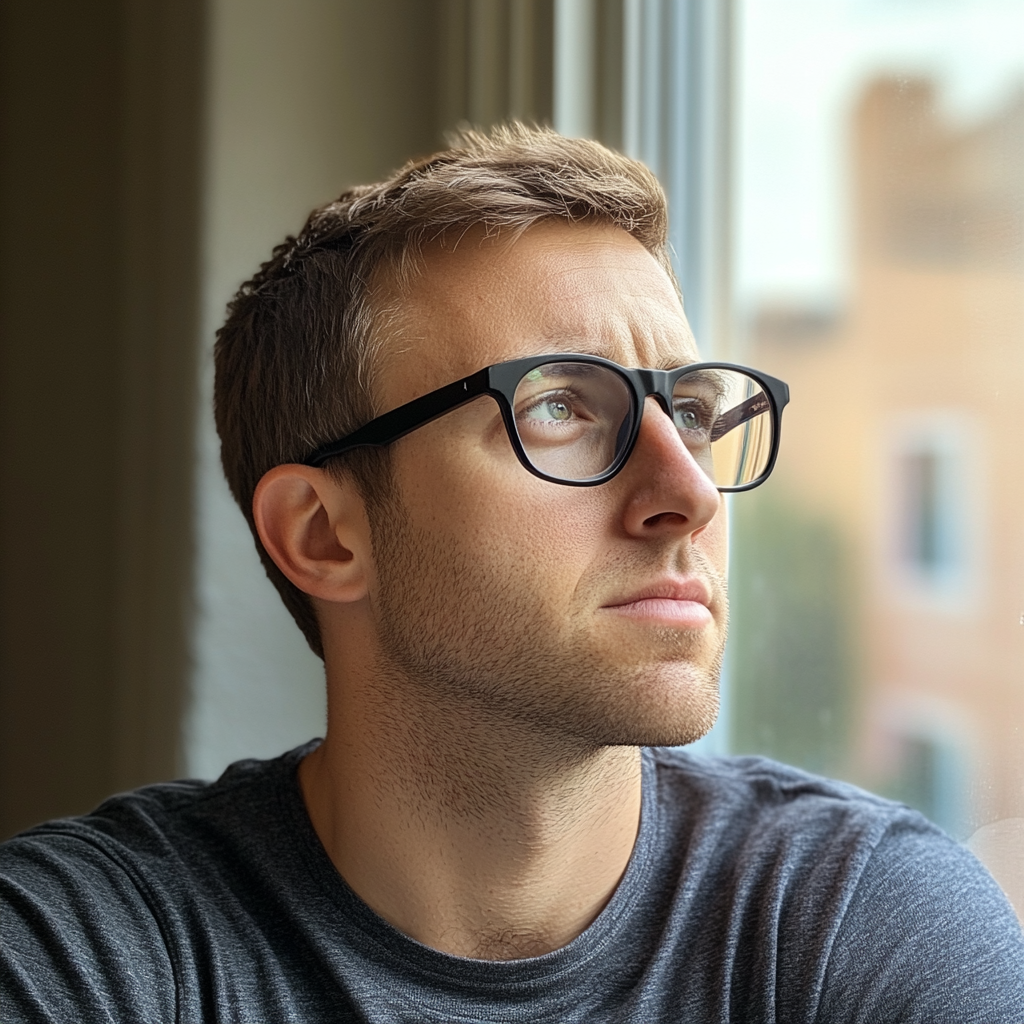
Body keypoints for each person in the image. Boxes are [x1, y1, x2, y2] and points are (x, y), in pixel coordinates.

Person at [2, 124, 1022, 1023]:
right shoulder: (85, 954)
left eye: (696, 414)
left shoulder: (855, 925)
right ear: (323, 535)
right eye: (560, 408)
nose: (691, 494)